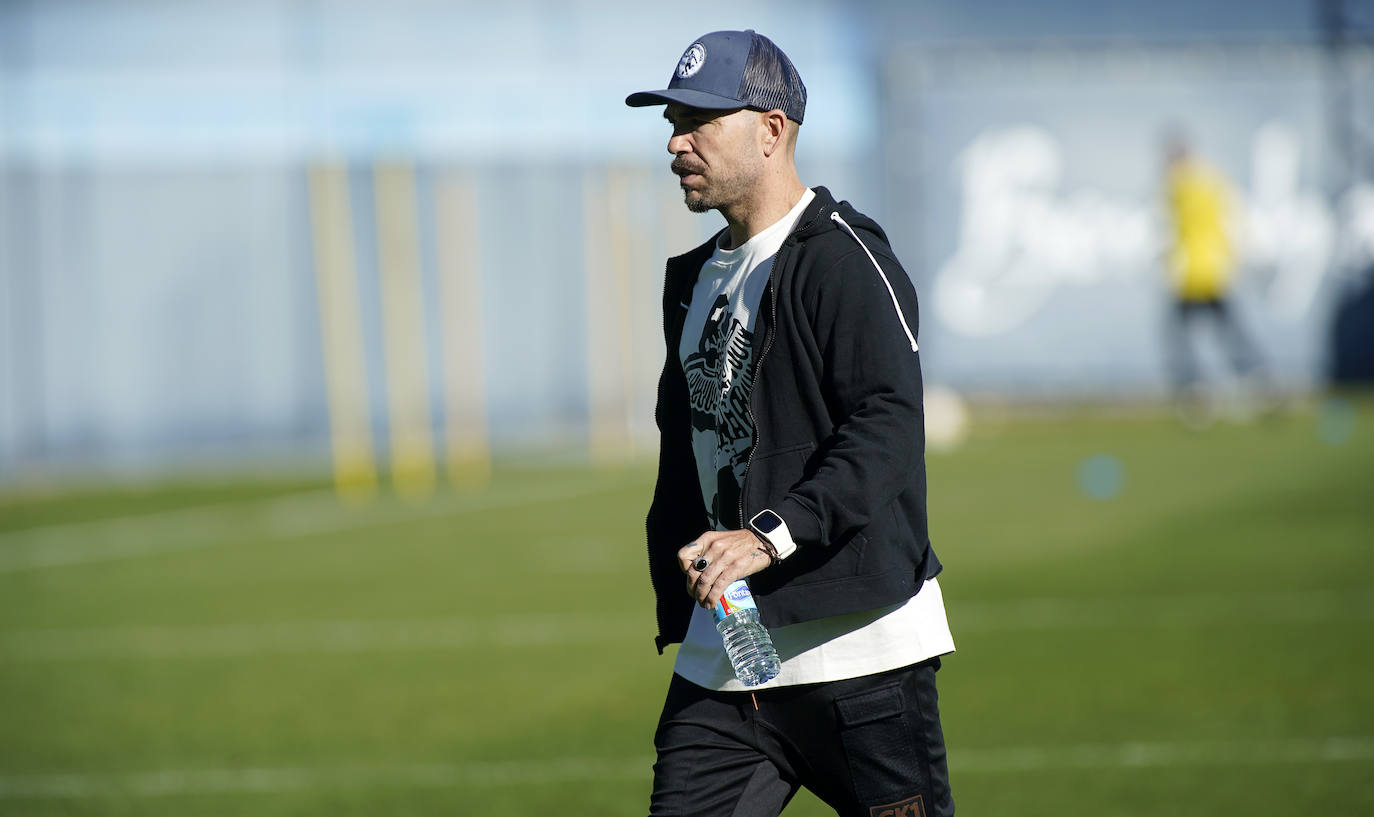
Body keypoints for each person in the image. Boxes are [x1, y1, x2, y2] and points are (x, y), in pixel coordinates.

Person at [625, 29, 956, 817]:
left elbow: (886, 428)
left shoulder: (842, 258)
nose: (676, 141)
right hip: (729, 665)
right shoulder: (692, 279)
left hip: (862, 655)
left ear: (771, 130)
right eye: (672, 120)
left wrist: (767, 535)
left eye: (699, 121)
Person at [1161, 133, 1268, 423]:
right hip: (1215, 270)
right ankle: (1253, 381)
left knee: (1182, 337)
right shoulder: (1212, 181)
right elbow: (1233, 220)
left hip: (1193, 273)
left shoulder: (1181, 186)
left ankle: (1197, 393)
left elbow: (1175, 232)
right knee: (1227, 331)